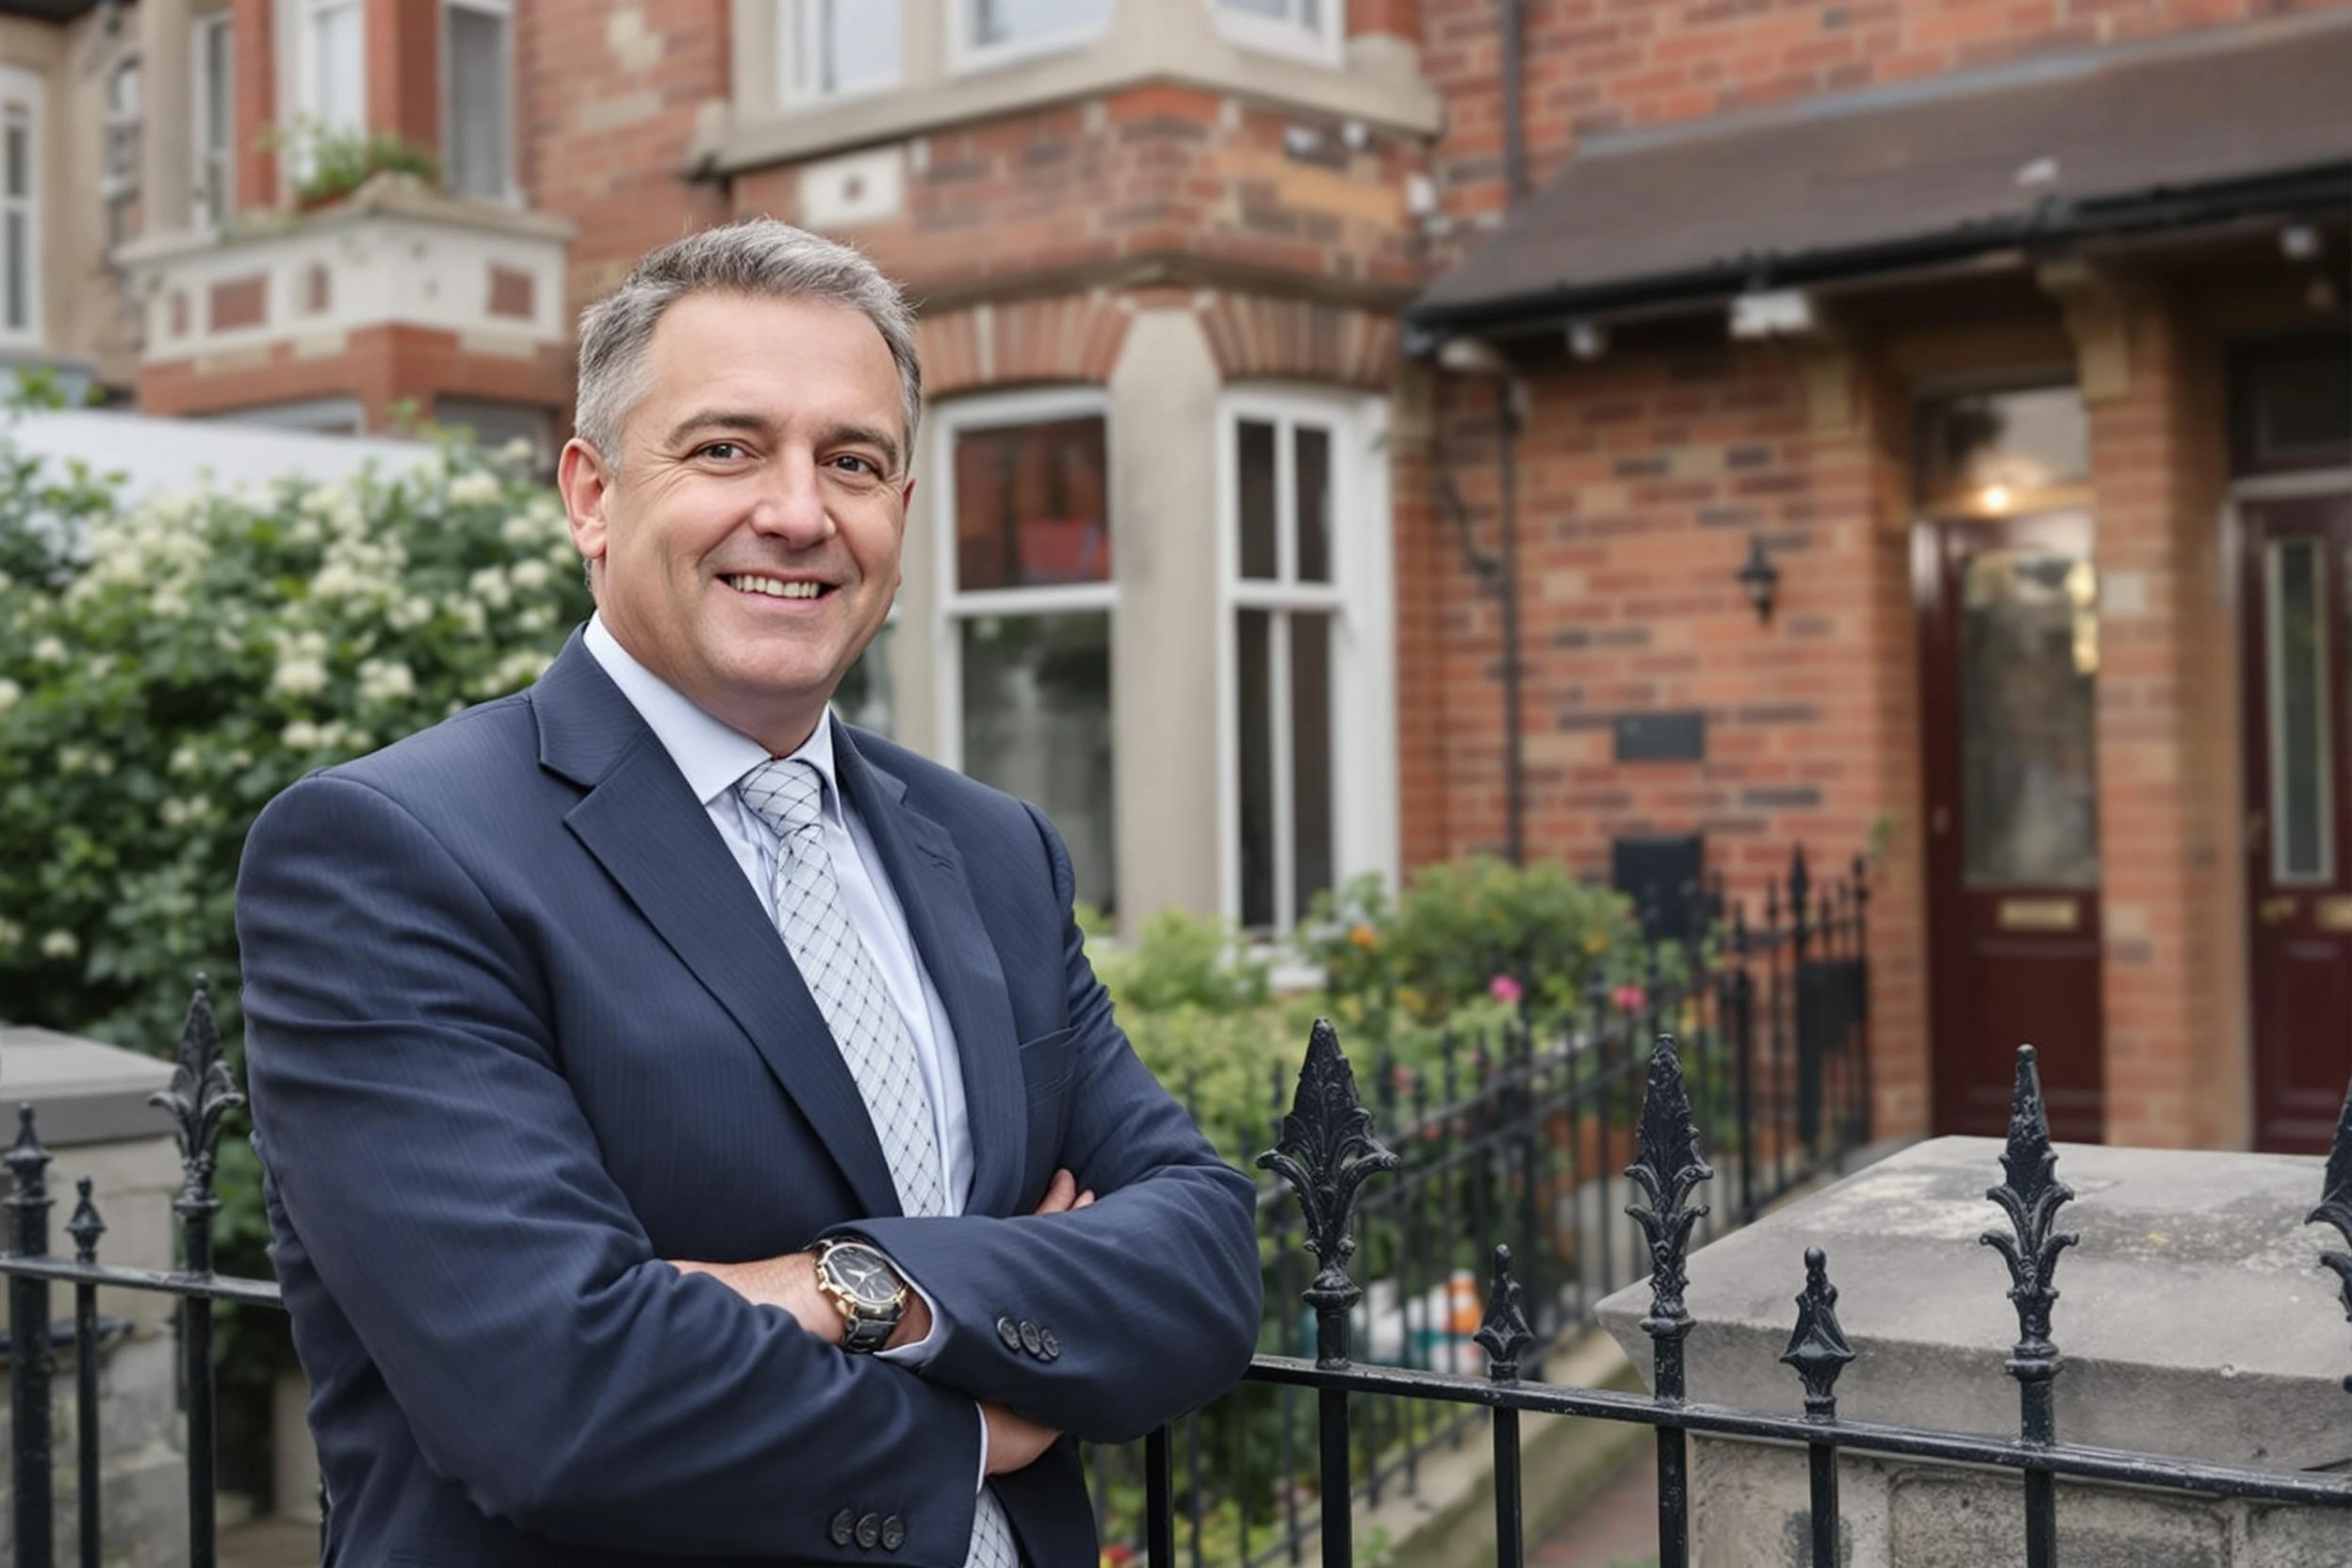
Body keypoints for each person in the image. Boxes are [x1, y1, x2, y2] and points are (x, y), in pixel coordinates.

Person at [236, 218, 1263, 1567]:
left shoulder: (994, 846)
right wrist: (974, 1421)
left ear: (901, 509)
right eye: (727, 448)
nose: (798, 510)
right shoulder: (393, 852)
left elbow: (1201, 1259)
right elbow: (561, 1397)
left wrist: (854, 1293)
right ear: (593, 496)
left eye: (855, 461)